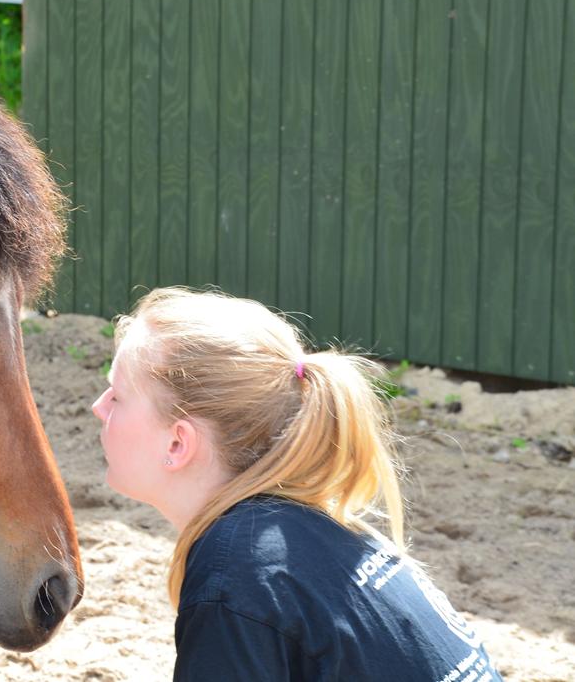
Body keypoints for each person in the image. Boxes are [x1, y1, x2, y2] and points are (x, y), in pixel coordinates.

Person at [92, 287, 503, 681]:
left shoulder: (236, 574)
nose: (98, 407)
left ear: (178, 442)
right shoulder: (302, 531)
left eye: (117, 396)